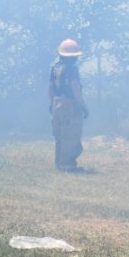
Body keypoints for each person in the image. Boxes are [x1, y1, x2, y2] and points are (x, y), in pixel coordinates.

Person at [48, 38, 88, 171]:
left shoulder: (55, 68)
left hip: (56, 103)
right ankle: (68, 165)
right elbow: (75, 88)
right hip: (69, 105)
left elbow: (50, 89)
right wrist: (84, 107)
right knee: (70, 134)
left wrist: (51, 105)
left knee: (59, 134)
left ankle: (59, 163)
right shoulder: (72, 69)